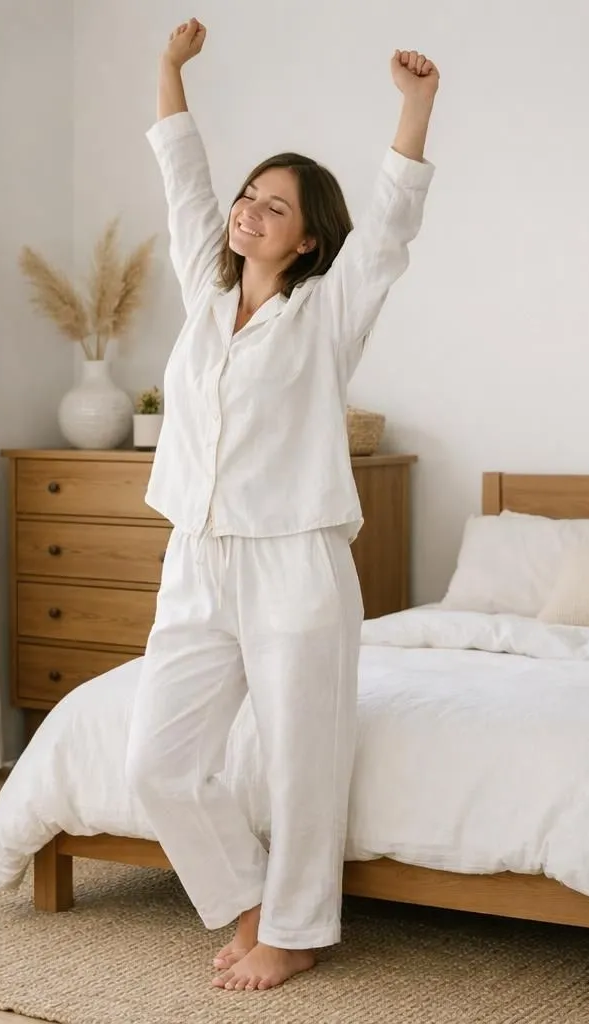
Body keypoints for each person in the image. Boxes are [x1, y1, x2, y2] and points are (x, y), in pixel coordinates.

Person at [123, 16, 439, 993]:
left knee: (304, 762)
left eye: (274, 206)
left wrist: (416, 104)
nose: (249, 211)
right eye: (249, 197)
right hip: (198, 555)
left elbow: (387, 230)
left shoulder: (326, 315)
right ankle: (248, 902)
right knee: (156, 766)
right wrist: (169, 70)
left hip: (296, 561)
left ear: (307, 239)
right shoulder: (204, 295)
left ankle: (296, 930)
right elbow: (184, 178)